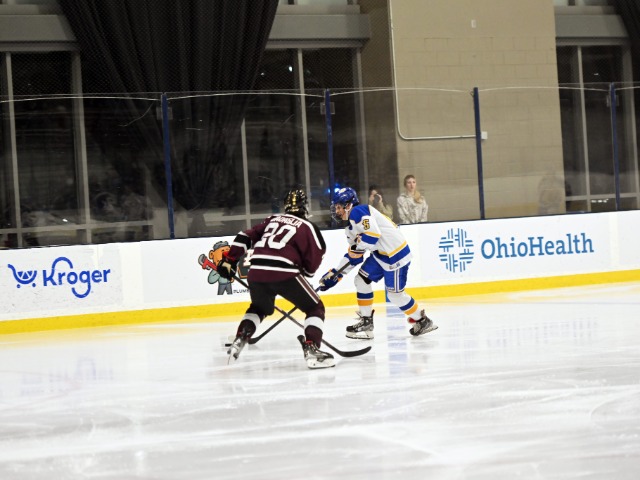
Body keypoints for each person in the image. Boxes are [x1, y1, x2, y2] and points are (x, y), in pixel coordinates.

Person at [217, 188, 335, 369]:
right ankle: (312, 348)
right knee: (315, 307)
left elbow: (244, 236)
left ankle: (240, 337)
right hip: (285, 271)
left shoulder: (272, 219)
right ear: (305, 207)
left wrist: (229, 260)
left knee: (259, 308)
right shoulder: (308, 227)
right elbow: (313, 262)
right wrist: (303, 271)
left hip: (256, 271)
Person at [319, 186, 438, 339]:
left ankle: (423, 321)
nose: (337, 211)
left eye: (339, 207)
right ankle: (366, 322)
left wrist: (358, 247)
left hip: (395, 254)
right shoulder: (349, 228)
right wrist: (336, 274)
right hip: (380, 255)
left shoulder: (359, 211)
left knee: (395, 295)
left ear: (348, 205)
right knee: (361, 280)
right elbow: (355, 256)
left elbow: (373, 235)